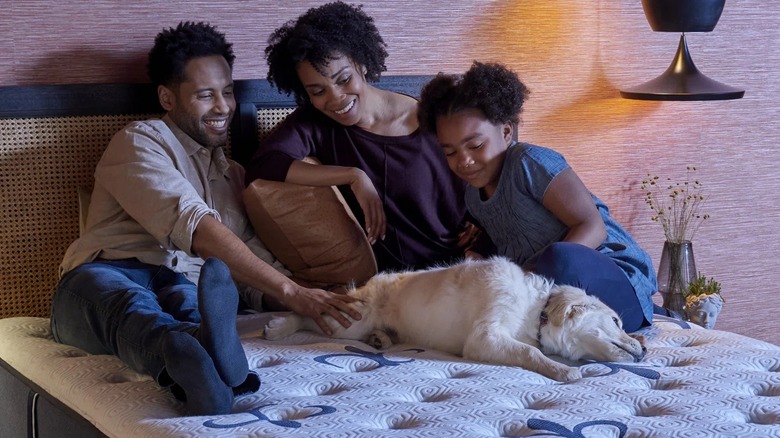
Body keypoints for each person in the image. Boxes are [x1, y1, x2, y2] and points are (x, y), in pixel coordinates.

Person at [49, 21, 359, 416]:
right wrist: (292, 292)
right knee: (130, 305)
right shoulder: (140, 141)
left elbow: (252, 263)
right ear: (167, 97)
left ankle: (204, 364)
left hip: (182, 282)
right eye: (205, 95)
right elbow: (195, 226)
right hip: (102, 277)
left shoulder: (233, 175)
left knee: (191, 303)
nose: (224, 107)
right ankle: (196, 356)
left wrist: (315, 294)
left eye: (228, 91)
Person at [417, 61, 657, 332]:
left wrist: (531, 279)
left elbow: (594, 227)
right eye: (450, 152)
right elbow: (513, 242)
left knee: (558, 258)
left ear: (506, 132)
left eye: (475, 145)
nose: (464, 161)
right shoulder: (473, 197)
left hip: (615, 287)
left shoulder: (530, 162)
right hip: (554, 295)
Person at [245, 1, 472, 274]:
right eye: (318, 91)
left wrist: (486, 225)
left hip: (464, 264)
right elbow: (263, 166)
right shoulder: (314, 124)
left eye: (343, 79)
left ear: (361, 63)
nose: (335, 98)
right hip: (393, 284)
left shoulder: (434, 116)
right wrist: (353, 176)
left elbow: (488, 173)